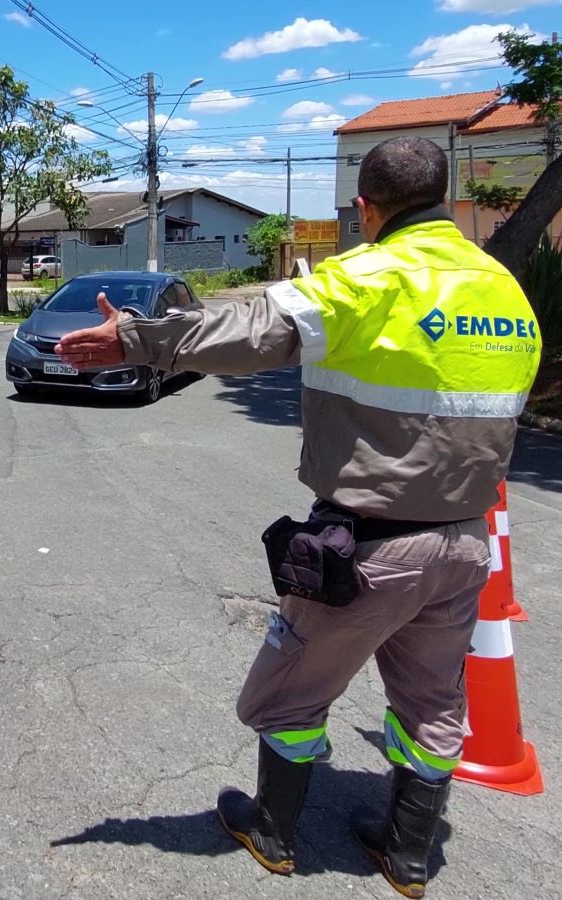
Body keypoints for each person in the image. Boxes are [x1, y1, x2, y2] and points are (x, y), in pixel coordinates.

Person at [56, 136, 540, 898]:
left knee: (286, 697)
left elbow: (251, 330)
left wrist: (137, 336)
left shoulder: (368, 276)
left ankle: (275, 832)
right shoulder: (501, 286)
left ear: (364, 207)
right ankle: (407, 856)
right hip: (466, 548)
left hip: (371, 548)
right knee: (433, 706)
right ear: (447, 193)